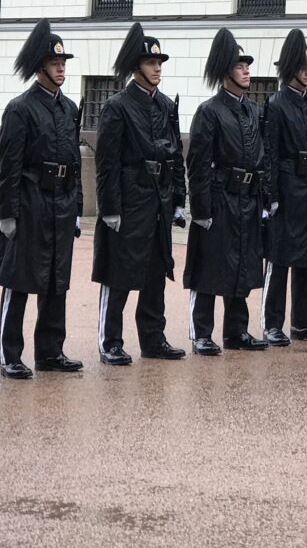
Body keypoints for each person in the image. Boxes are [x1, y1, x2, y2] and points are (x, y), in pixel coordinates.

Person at [0, 20, 83, 378]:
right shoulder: (21, 108)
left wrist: (76, 208)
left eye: (63, 63)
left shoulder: (69, 108)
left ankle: (50, 350)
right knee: (19, 280)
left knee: (56, 280)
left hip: (61, 202)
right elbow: (9, 164)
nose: (61, 68)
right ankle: (9, 353)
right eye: (54, 62)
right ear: (39, 66)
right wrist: (7, 213)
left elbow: (74, 162)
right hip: (30, 201)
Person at [92, 23, 187, 365]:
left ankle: (153, 338)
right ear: (136, 67)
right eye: (150, 62)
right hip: (130, 197)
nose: (157, 67)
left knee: (155, 272)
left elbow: (176, 156)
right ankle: (110, 341)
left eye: (159, 61)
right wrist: (110, 208)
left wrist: (178, 199)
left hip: (158, 199)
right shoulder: (117, 106)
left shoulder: (165, 104)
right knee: (119, 273)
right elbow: (107, 162)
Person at [183, 29, 269, 354]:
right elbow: (199, 163)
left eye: (247, 66)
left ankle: (237, 330)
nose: (247, 71)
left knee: (243, 265)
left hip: (247, 198)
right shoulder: (209, 111)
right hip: (219, 198)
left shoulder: (253, 110)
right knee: (209, 267)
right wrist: (202, 209)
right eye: (239, 66)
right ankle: (202, 332)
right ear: (226, 72)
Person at [260, 29, 307, 346]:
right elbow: (270, 154)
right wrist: (271, 197)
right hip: (288, 187)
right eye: (303, 66)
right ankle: (272, 323)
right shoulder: (275, 105)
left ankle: (304, 322)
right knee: (279, 258)